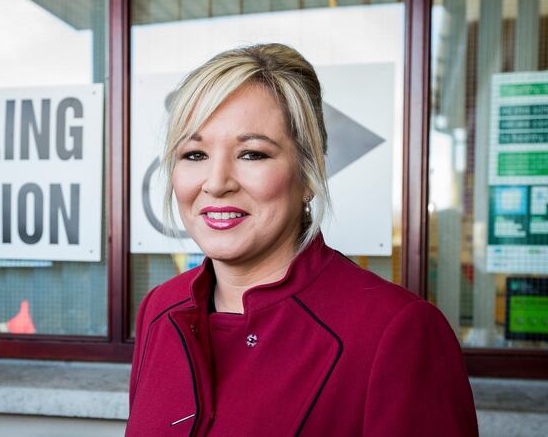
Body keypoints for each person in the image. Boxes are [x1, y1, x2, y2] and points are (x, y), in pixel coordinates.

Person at [125, 43, 478, 437]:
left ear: (309, 173)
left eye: (252, 154)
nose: (217, 182)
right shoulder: (159, 309)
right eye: (194, 154)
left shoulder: (396, 331)